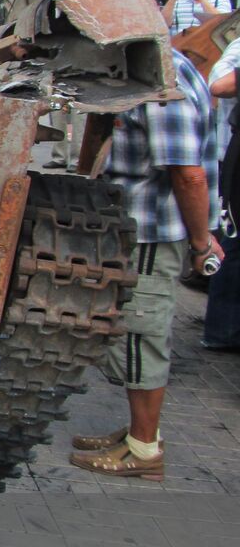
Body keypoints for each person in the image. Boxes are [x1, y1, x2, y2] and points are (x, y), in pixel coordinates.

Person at [69, 49, 222, 479]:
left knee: (142, 334)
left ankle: (145, 450)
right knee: (134, 331)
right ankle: (137, 434)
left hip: (152, 229)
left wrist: (201, 243)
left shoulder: (160, 88)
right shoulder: (157, 64)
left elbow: (188, 174)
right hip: (138, 225)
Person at [204, 54, 240, 350]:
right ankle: (222, 331)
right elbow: (219, 86)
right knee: (233, 242)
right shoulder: (236, 50)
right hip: (230, 152)